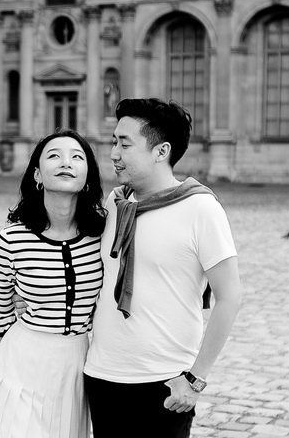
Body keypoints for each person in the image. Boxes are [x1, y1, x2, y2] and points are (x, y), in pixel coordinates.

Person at [84, 98, 244, 438]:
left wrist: (195, 379)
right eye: (114, 142)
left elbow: (230, 297)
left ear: (161, 151)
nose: (114, 153)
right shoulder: (115, 205)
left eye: (125, 144)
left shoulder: (200, 209)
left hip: (165, 383)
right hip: (102, 376)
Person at [0, 129, 107, 438]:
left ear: (87, 177)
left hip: (76, 363)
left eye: (77, 157)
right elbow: (2, 308)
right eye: (54, 156)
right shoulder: (11, 240)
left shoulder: (102, 237)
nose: (66, 162)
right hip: (22, 362)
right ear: (37, 174)